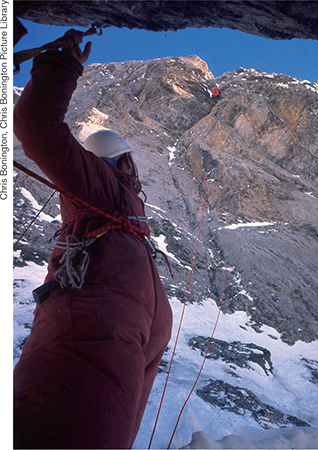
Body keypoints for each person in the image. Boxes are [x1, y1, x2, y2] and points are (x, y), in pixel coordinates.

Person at [13, 29, 173, 449]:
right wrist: (61, 65)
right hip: (94, 338)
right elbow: (37, 127)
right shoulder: (100, 184)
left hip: (121, 339)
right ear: (122, 161)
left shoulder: (125, 204)